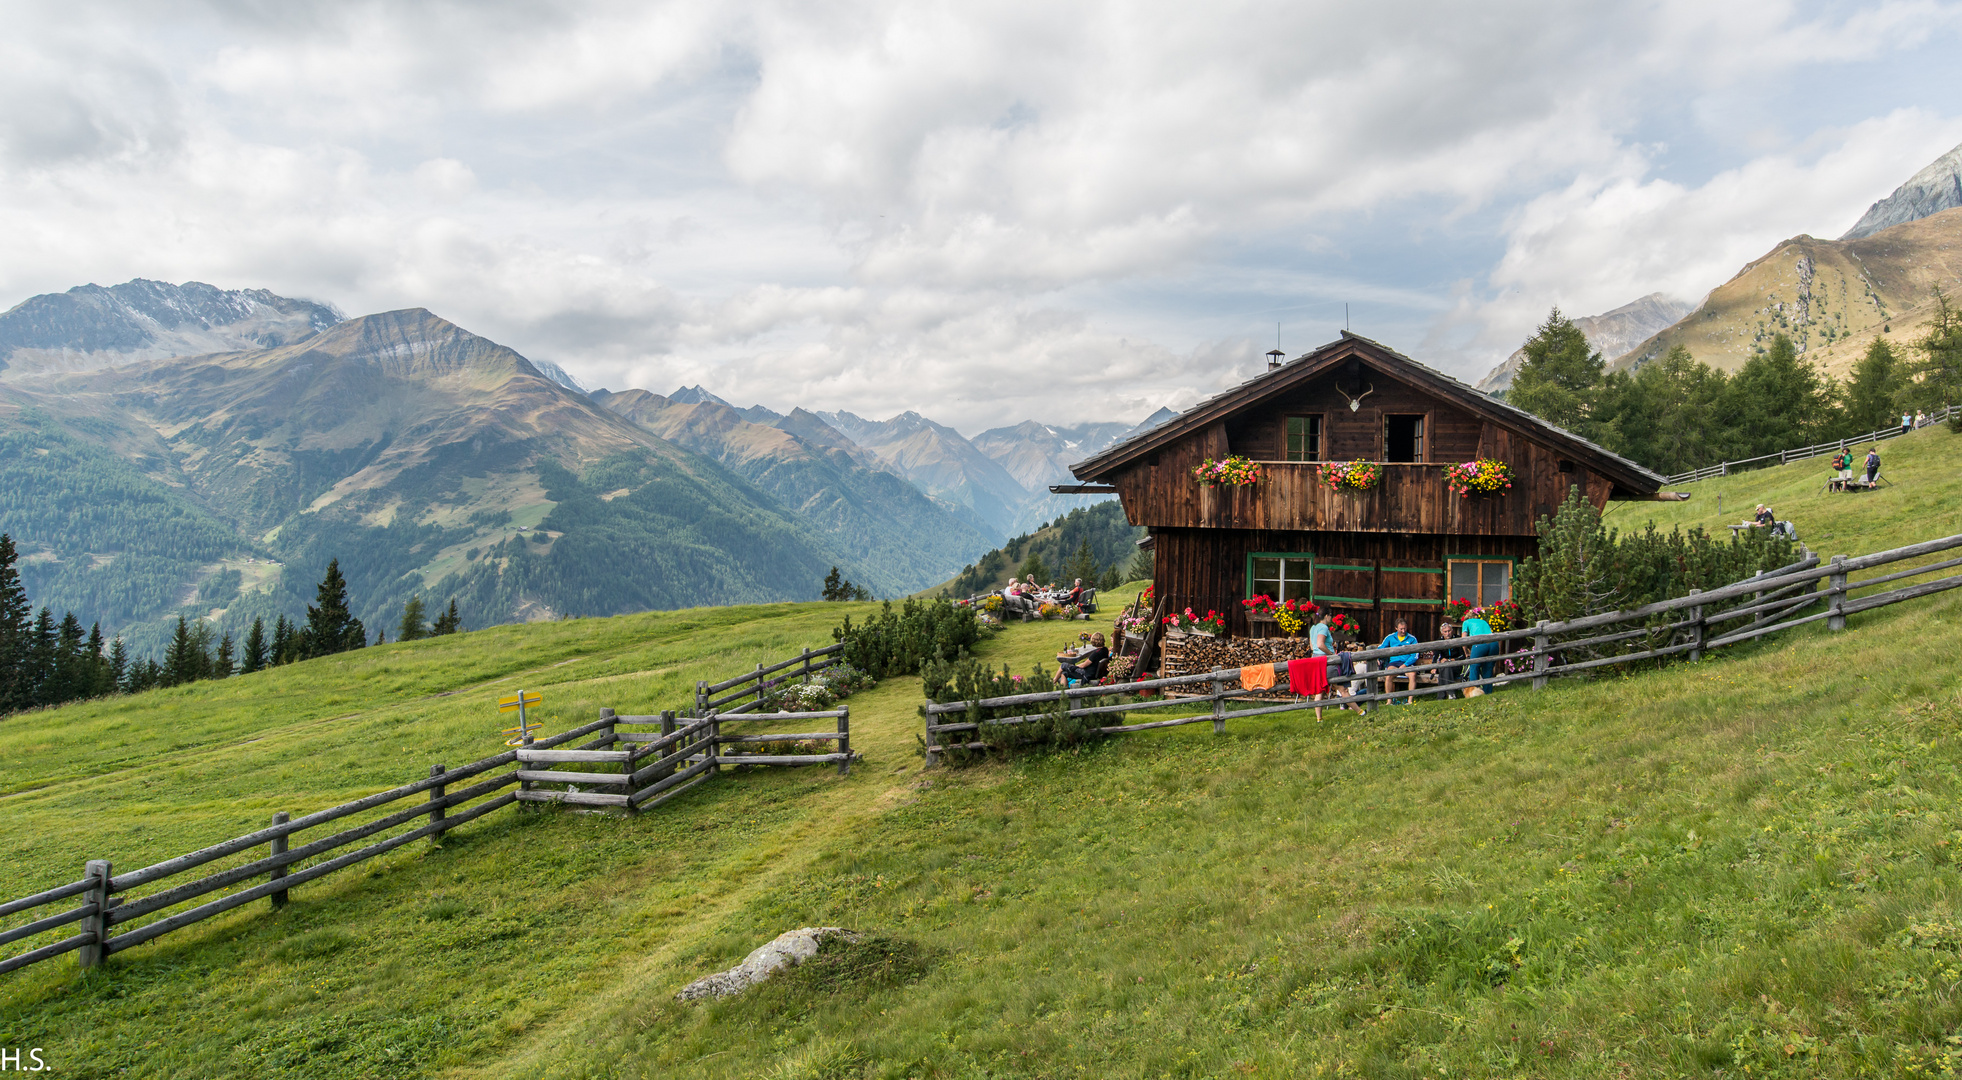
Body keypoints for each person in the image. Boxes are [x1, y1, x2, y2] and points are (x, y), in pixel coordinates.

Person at [1377, 618, 1420, 704]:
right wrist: (1378, 658)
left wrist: (1405, 664)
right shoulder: (1390, 637)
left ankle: (1410, 700)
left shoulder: (1412, 639)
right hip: (1394, 663)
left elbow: (1415, 655)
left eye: (1405, 628)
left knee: (1413, 674)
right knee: (1388, 675)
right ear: (1396, 628)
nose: (1403, 631)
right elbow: (1380, 648)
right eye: (1401, 629)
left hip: (1407, 663)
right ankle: (1389, 700)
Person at [1461, 610, 1497, 695]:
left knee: (1474, 667)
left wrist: (1466, 652)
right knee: (1488, 668)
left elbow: (1463, 640)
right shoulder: (1483, 621)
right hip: (1494, 643)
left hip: (1480, 644)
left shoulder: (1466, 622)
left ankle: (1474, 692)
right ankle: (1488, 692)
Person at [1433, 621, 1466, 699]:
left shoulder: (1457, 639)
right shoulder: (1439, 641)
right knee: (1446, 667)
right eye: (1445, 632)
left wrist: (1453, 660)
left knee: (1446, 668)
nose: (1447, 633)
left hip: (1457, 666)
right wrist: (1438, 662)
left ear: (1452, 631)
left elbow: (1463, 656)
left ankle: (1441, 696)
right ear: (1442, 633)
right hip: (1445, 666)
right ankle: (1451, 693)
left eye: (1449, 631)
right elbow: (1436, 656)